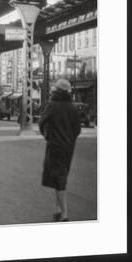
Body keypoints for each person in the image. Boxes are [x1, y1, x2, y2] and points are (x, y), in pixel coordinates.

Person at [39, 78, 81, 222]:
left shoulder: (52, 105)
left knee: (58, 178)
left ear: (57, 91)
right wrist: (69, 140)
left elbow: (41, 122)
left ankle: (64, 214)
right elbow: (77, 129)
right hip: (68, 148)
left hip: (54, 146)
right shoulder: (73, 108)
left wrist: (47, 136)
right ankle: (58, 209)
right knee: (61, 177)